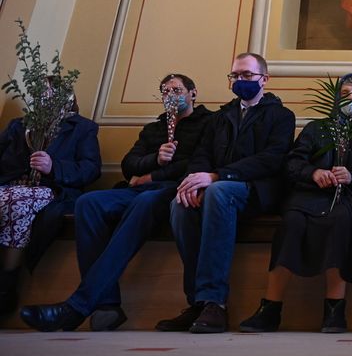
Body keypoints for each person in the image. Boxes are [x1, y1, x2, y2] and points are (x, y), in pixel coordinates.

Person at [19, 74, 212, 332]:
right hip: (138, 189)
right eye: (165, 91)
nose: (170, 95)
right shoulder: (154, 128)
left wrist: (153, 174)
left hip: (171, 190)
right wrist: (155, 159)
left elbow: (200, 162)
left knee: (143, 202)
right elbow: (128, 165)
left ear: (193, 93)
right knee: (88, 203)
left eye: (177, 89)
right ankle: (107, 304)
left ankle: (77, 306)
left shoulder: (210, 123)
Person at [156, 53, 295, 334]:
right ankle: (197, 302)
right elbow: (202, 154)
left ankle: (215, 303)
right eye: (235, 76)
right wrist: (195, 180)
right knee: (179, 204)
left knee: (219, 192)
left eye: (247, 75)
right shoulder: (220, 117)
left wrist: (217, 176)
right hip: (218, 186)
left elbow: (272, 159)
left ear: (264, 79)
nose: (240, 80)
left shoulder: (281, 115)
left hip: (257, 190)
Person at [239, 74, 352, 334]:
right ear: (334, 99)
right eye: (345, 93)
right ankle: (270, 308)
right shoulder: (315, 129)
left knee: (341, 221)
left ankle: (334, 309)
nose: (351, 98)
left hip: (346, 198)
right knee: (292, 222)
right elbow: (292, 163)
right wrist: (314, 173)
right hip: (309, 194)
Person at [0, 87, 101, 315]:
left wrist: (54, 167)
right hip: (11, 185)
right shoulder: (18, 126)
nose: (44, 97)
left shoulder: (82, 128)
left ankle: (6, 282)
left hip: (50, 189)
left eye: (51, 93)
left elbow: (91, 169)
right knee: (10, 200)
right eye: (40, 92)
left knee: (15, 203)